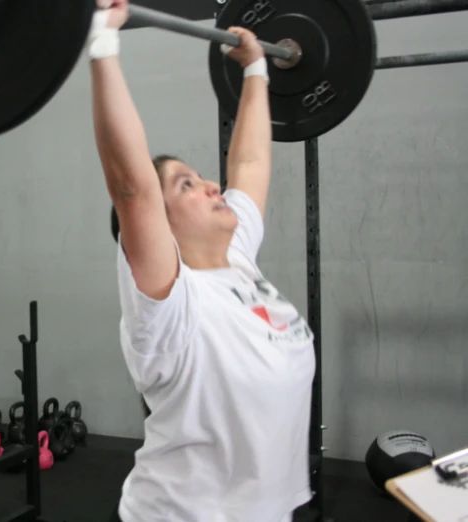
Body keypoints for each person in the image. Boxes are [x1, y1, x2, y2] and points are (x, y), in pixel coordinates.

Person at [88, 1, 317, 521]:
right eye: (185, 185)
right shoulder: (169, 305)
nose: (212, 185)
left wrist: (256, 68)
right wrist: (103, 43)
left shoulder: (236, 258)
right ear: (157, 228)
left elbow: (252, 160)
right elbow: (131, 188)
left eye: (200, 176)